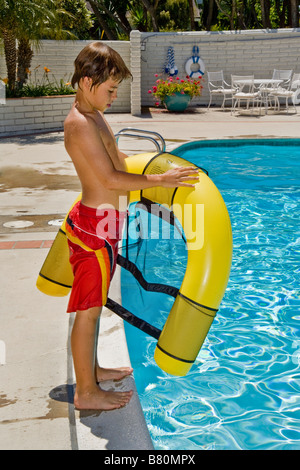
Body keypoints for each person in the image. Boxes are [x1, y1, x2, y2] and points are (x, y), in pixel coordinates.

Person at [64, 42, 199, 411]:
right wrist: (164, 182)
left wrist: (154, 181)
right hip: (93, 231)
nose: (113, 97)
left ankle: (93, 370)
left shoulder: (93, 114)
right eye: (110, 90)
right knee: (88, 312)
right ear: (88, 81)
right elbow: (109, 178)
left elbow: (119, 159)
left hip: (104, 227)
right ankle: (85, 392)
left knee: (93, 305)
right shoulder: (78, 124)